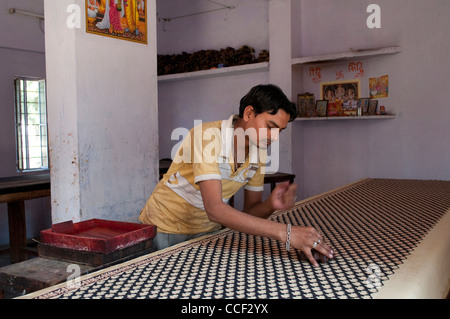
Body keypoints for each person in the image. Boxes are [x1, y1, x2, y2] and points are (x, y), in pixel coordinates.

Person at [140, 84, 334, 266]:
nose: (274, 137)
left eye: (280, 131)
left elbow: (250, 211)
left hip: (208, 231)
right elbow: (215, 209)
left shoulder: (259, 151)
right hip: (166, 227)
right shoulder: (206, 136)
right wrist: (288, 233)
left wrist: (270, 205)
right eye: (270, 126)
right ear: (249, 113)